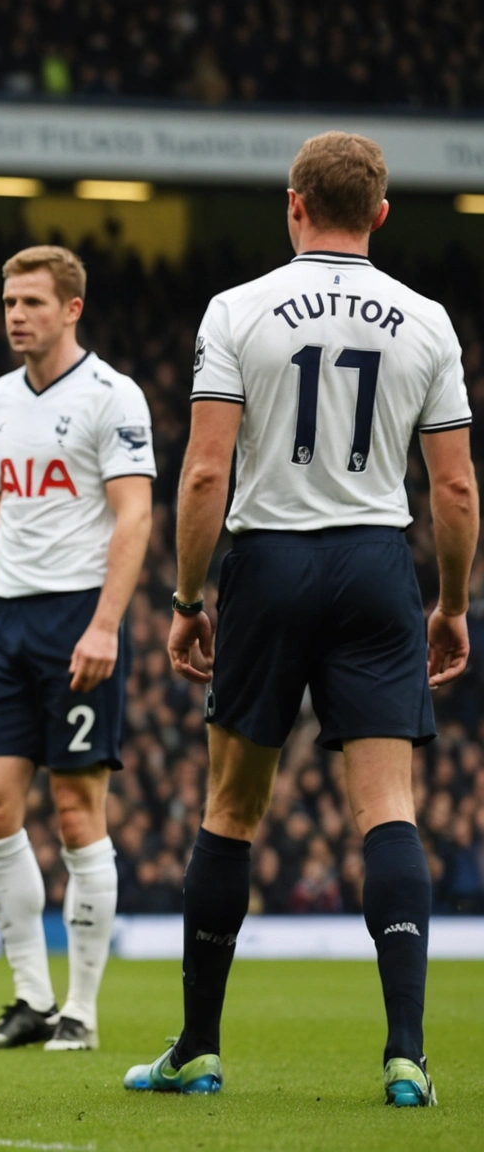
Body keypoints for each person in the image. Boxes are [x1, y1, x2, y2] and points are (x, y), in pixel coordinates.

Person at [128, 131, 473, 1106]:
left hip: (269, 561)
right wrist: (448, 605)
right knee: (389, 810)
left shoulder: (238, 311)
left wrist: (190, 601)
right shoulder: (428, 321)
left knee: (230, 809)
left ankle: (199, 1047)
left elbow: (203, 471)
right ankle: (406, 1053)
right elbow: (453, 490)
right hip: (375, 563)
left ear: (292, 204)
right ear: (381, 213)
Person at [0, 246, 154, 1053]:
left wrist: (105, 624)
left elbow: (134, 518)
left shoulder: (112, 398)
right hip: (2, 623)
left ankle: (82, 1009)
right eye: (9, 302)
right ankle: (29, 997)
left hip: (75, 623)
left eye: (32, 301)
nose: (16, 315)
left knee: (74, 812)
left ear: (72, 309)